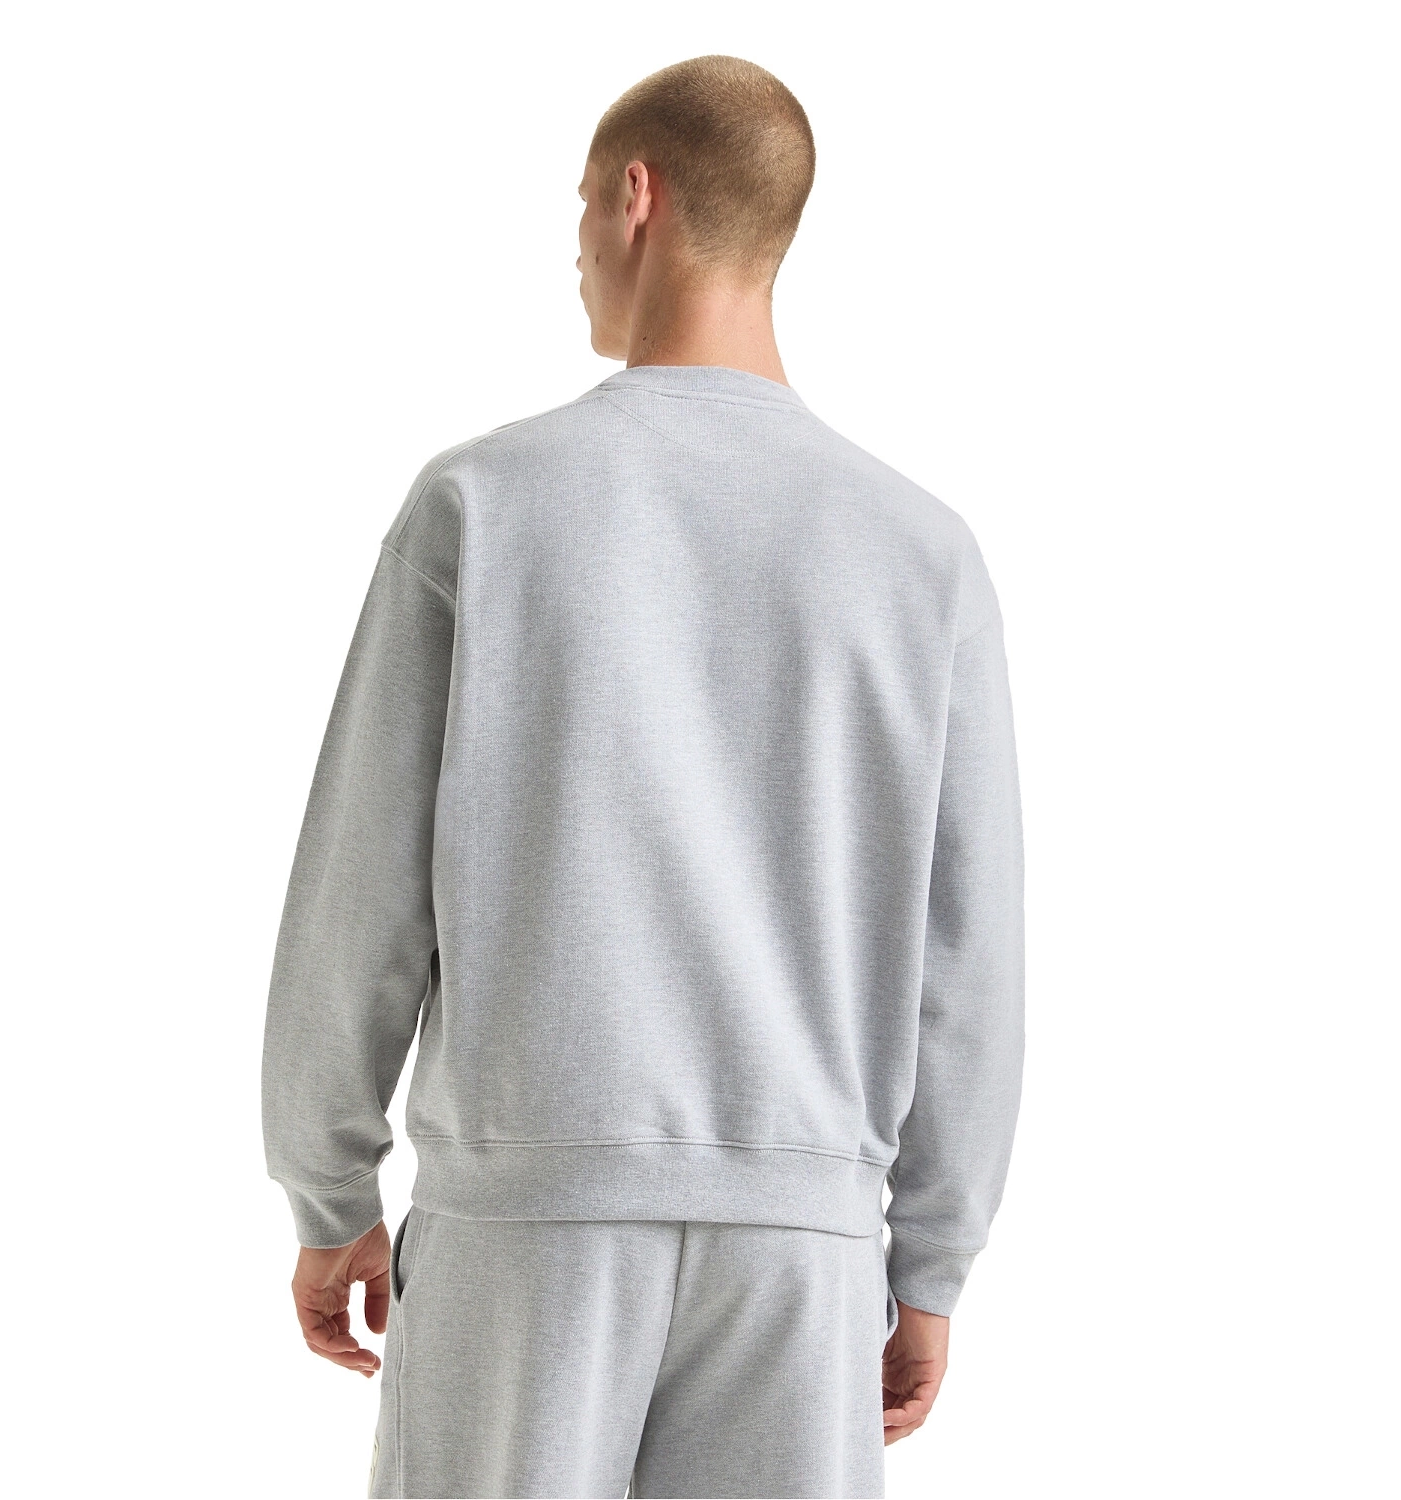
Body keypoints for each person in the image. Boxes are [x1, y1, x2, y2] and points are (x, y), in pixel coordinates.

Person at [261, 54, 1025, 1500]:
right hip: (801, 1251)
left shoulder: (484, 503)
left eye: (577, 210)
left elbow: (361, 886)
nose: (575, 253)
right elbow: (966, 952)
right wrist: (930, 1259)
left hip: (527, 1223)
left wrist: (328, 1184)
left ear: (636, 197)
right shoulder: (923, 554)